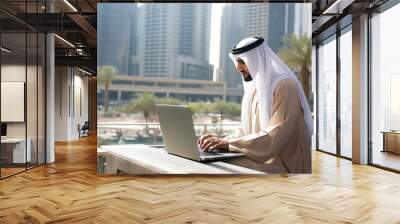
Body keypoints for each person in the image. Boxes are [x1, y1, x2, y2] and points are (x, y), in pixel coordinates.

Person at [197, 37, 313, 173]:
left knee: (220, 165)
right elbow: (247, 131)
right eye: (236, 61)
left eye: (242, 62)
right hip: (259, 157)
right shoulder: (253, 90)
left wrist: (229, 145)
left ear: (256, 60)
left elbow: (276, 134)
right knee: (212, 160)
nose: (238, 67)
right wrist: (219, 141)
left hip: (284, 164)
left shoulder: (285, 86)